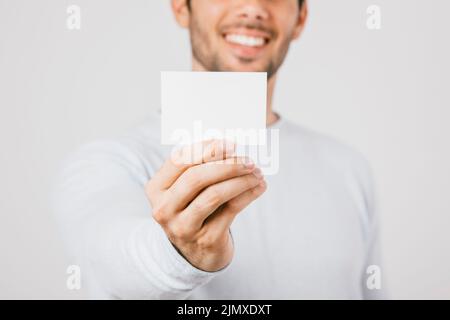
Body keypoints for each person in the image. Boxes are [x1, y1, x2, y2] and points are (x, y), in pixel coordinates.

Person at [53, 0, 385, 299]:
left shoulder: (348, 167)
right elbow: (111, 264)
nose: (253, 7)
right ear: (182, 7)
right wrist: (180, 252)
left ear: (300, 18)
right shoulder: (108, 162)